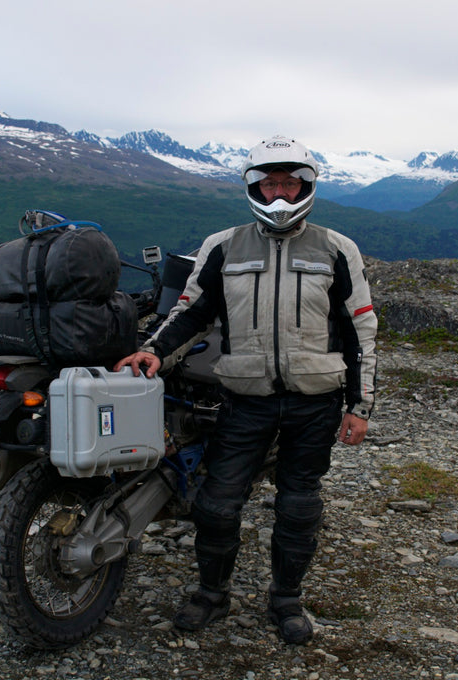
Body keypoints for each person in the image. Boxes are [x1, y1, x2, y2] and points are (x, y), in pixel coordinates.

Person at [114, 135, 377, 645]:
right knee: (216, 502)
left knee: (299, 504)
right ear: (254, 186)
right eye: (269, 182)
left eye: (289, 182)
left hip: (314, 400)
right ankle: (212, 594)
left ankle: (287, 600)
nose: (279, 192)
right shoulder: (223, 245)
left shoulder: (337, 248)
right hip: (244, 399)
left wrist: (359, 405)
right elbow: (191, 312)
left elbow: (358, 329)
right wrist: (155, 351)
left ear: (306, 185)